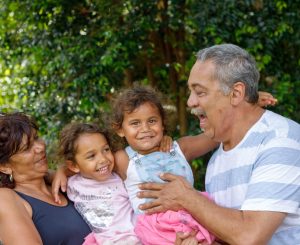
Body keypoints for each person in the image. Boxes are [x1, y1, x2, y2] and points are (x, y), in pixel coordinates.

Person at [137, 44, 300, 245]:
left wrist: (187, 197)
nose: (190, 102)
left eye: (200, 92)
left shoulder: (281, 141)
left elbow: (250, 237)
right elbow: (229, 237)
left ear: (236, 93)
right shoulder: (217, 160)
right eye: (190, 92)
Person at [0, 112, 91, 245]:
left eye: (36, 138)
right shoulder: (6, 198)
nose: (40, 147)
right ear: (4, 166)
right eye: (27, 148)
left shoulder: (60, 183)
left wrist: (63, 170)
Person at [58, 122, 141, 245]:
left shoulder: (120, 179)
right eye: (91, 156)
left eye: (106, 150)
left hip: (134, 238)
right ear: (74, 165)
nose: (103, 159)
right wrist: (60, 171)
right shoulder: (72, 183)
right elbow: (47, 177)